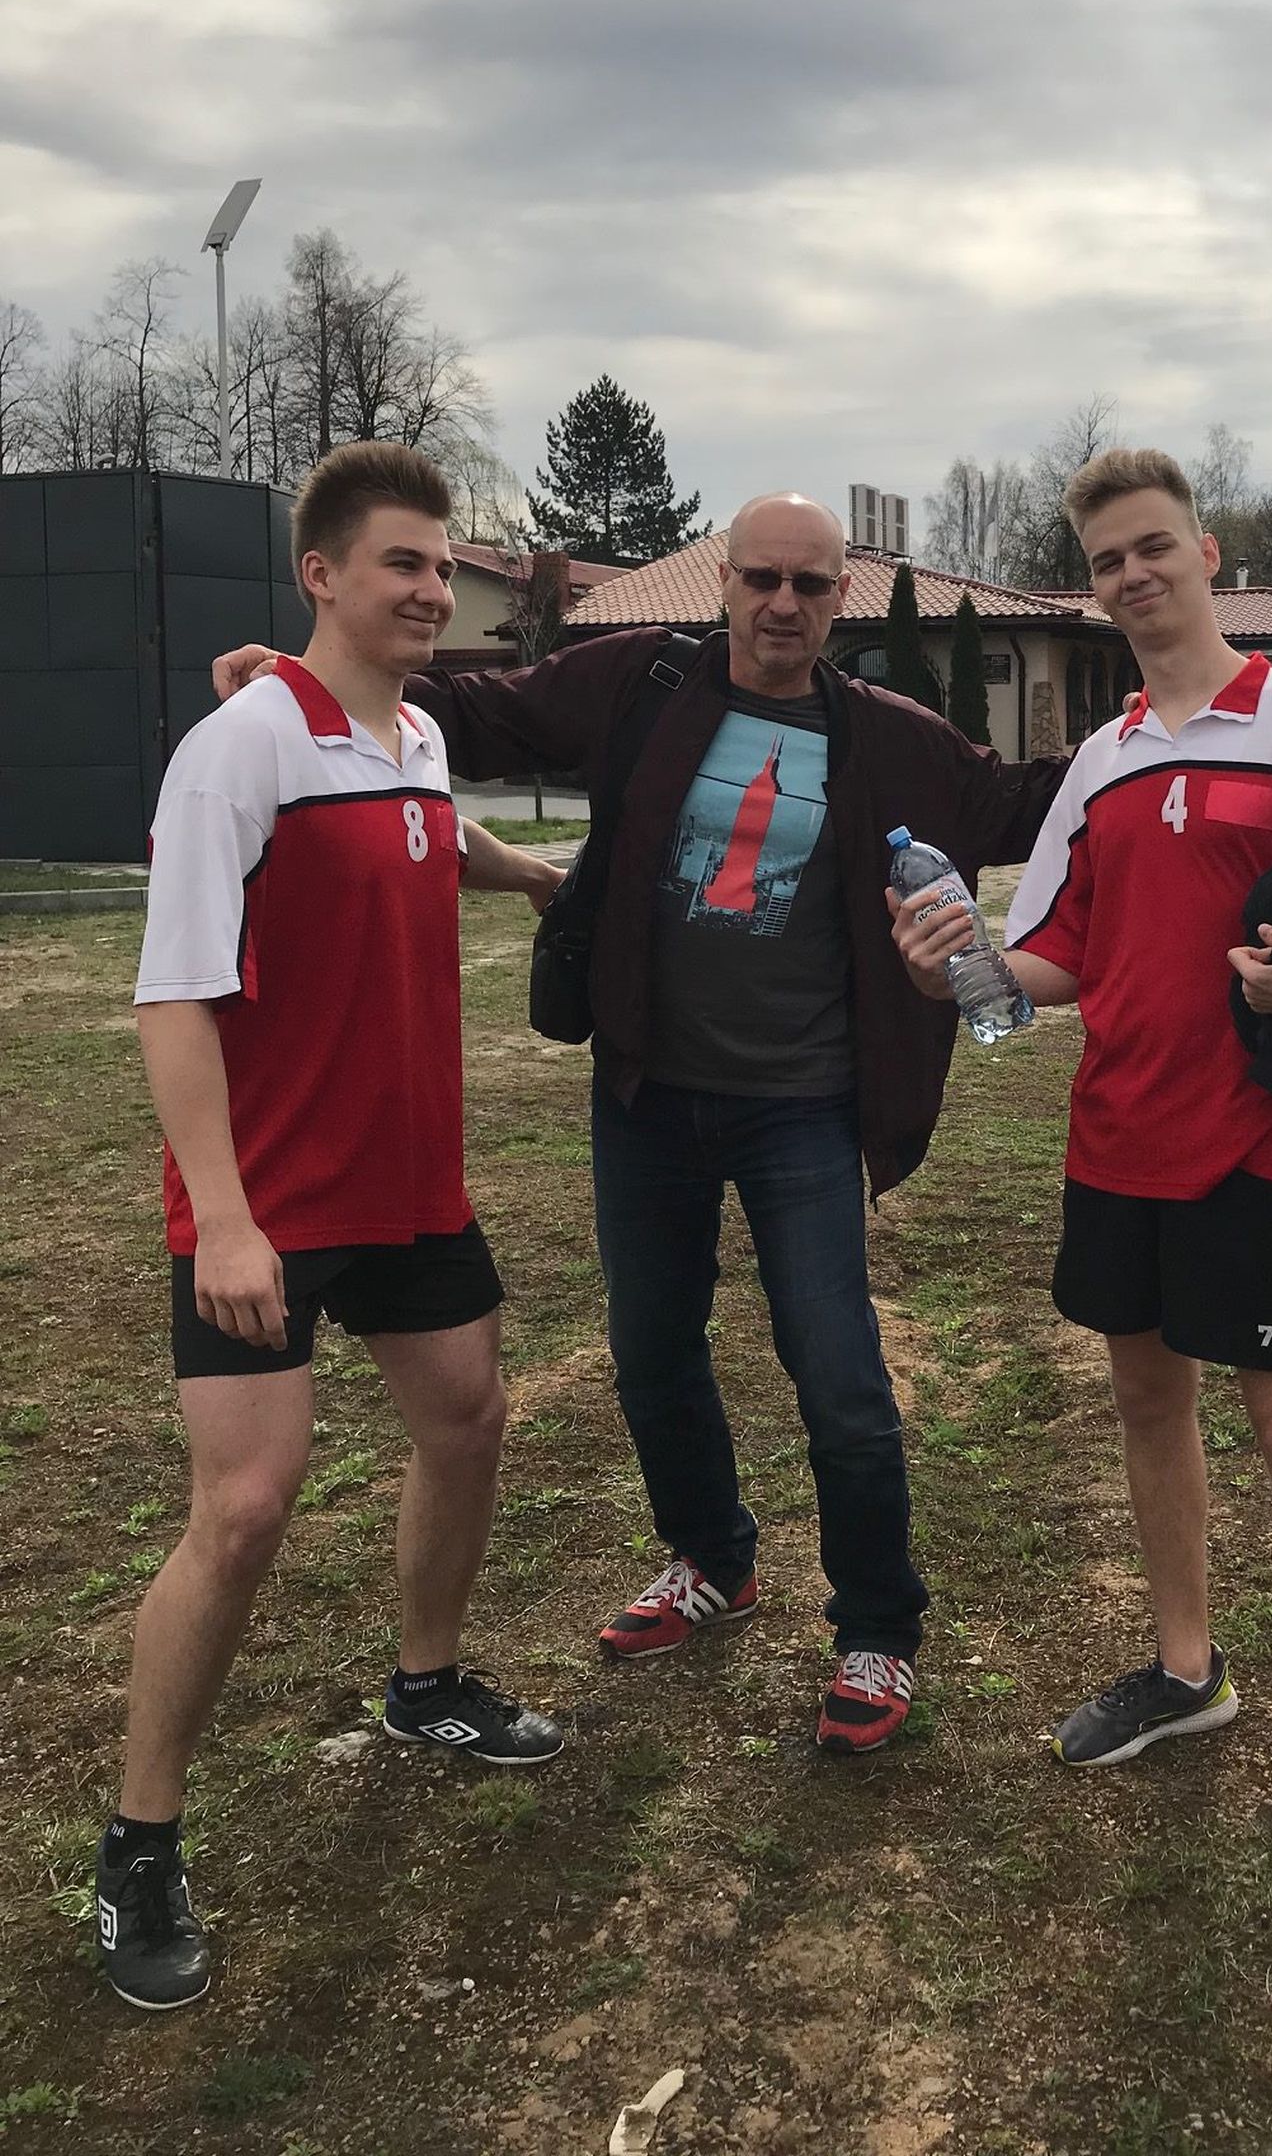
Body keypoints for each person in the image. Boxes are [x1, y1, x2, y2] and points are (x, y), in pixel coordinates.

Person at [215, 493, 1063, 1753]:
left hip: (804, 1107)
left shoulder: (891, 738)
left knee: (839, 1376)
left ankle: (877, 1626)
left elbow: (1030, 803)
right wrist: (306, 681)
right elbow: (478, 710)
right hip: (649, 1094)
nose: (783, 605)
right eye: (762, 578)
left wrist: (1160, 731)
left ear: (841, 598)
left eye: (810, 585)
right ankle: (713, 1557)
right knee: (652, 1350)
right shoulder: (643, 682)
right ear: (727, 582)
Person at [894, 449, 1272, 1884]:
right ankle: (1188, 1668)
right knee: (1148, 1402)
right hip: (1118, 1133)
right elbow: (1054, 961)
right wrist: (958, 967)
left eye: (1152, 547)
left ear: (1205, 553)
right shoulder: (1103, 758)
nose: (1132, 574)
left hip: (1261, 1138)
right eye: (1106, 560)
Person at [100, 442, 565, 2014]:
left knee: (469, 1421)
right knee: (243, 1511)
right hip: (269, 1206)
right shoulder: (239, 747)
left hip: (410, 1185)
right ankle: (139, 1844)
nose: (433, 591)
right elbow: (172, 998)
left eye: (441, 565)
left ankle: (425, 1685)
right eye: (402, 566)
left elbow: (426, 838)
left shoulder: (413, 735)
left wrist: (531, 875)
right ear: (322, 575)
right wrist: (226, 1222)